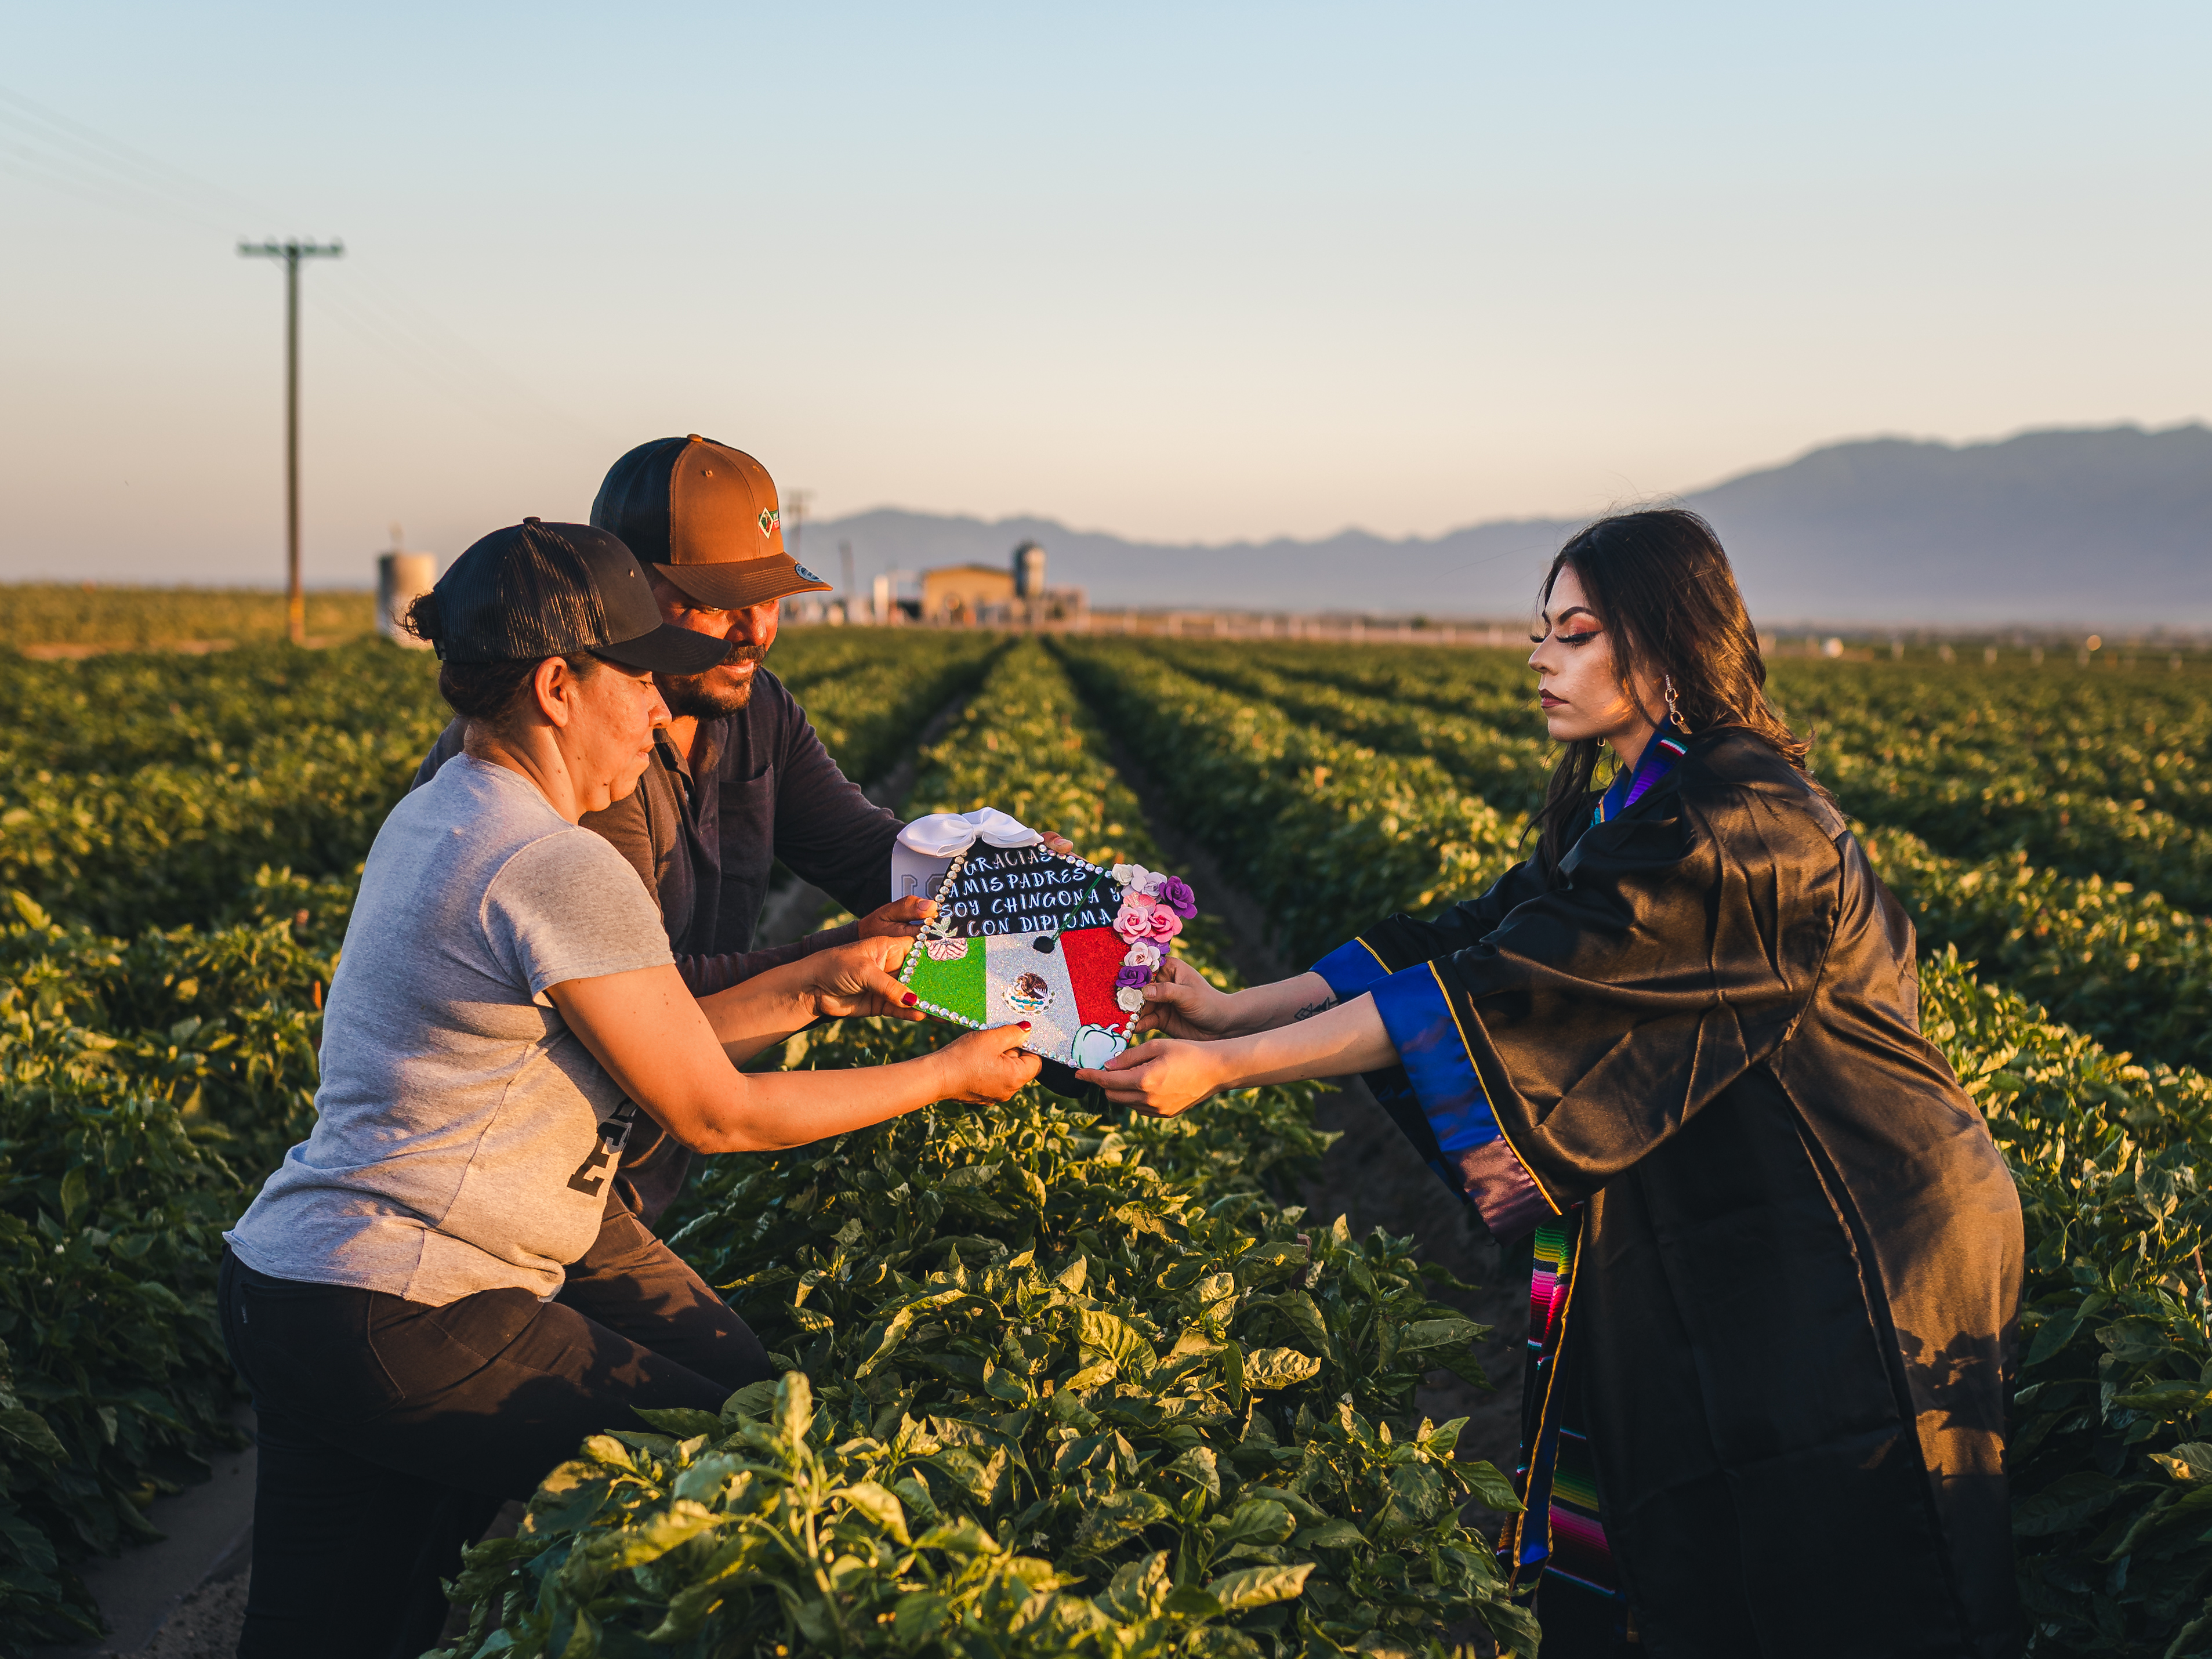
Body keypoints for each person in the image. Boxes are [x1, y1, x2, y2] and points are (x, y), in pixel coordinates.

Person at [1078, 510, 2023, 1659]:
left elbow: (1500, 988)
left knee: (1836, 1537)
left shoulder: (1739, 824)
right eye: (1544, 630)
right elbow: (1470, 942)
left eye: (1574, 633)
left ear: (1665, 649)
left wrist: (1224, 1066)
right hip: (1744, 1210)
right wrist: (1230, 1009)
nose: (1539, 655)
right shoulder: (1627, 804)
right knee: (1700, 1490)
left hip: (1858, 1229)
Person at [222, 520, 1039, 1659]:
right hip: (409, 1306)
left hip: (295, 1287)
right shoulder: (561, 861)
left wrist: (819, 982)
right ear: (558, 685)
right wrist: (947, 1070)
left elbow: (651, 1040)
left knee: (339, 1627)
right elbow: (715, 1108)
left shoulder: (448, 806)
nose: (662, 715)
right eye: (641, 684)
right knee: (737, 1475)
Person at [414, 436, 1065, 1224]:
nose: (755, 632)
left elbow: (862, 849)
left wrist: (1023, 897)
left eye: (770, 601)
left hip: (625, 1164)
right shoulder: (566, 764)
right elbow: (646, 1012)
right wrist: (834, 961)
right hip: (524, 1167)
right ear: (623, 587)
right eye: (718, 603)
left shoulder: (755, 709)